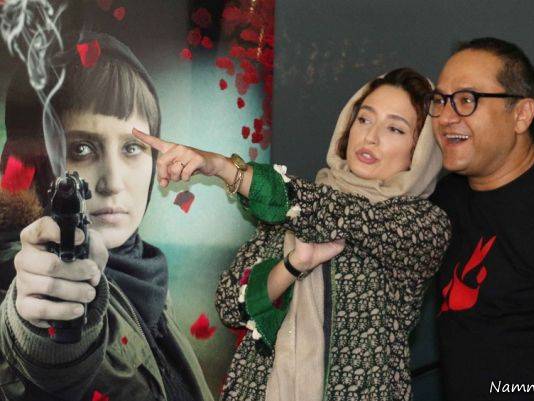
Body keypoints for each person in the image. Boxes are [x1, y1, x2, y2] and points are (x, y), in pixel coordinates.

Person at [134, 68, 452, 401]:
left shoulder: (420, 224)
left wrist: (222, 167)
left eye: (395, 129)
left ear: (419, 149)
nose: (371, 137)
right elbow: (230, 304)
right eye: (364, 119)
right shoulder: (292, 210)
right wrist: (292, 265)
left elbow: (339, 214)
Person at [0, 32, 213, 401]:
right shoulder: (24, 279)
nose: (113, 182)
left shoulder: (143, 276)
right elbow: (44, 358)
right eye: (82, 149)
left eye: (132, 147)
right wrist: (39, 329)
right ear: (35, 162)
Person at [428, 37, 534, 400]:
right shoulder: (439, 203)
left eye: (466, 100)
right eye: (440, 100)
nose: (445, 117)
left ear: (521, 114)